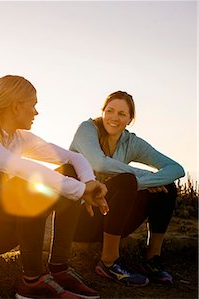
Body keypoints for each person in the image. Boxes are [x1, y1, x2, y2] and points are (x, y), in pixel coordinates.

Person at [0, 75, 109, 299]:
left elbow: (73, 157)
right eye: (33, 105)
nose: (36, 112)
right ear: (15, 107)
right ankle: (32, 282)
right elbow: (26, 171)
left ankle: (59, 268)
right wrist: (80, 191)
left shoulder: (19, 138)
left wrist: (88, 182)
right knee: (26, 184)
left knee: (69, 173)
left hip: (1, 228)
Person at [69, 91, 185, 286]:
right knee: (126, 181)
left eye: (122, 114)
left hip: (112, 221)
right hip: (78, 219)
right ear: (103, 112)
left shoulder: (131, 142)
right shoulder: (87, 129)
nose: (114, 117)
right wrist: (145, 177)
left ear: (130, 119)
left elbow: (176, 168)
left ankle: (152, 259)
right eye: (110, 110)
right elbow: (100, 163)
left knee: (167, 187)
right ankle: (109, 262)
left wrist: (152, 181)